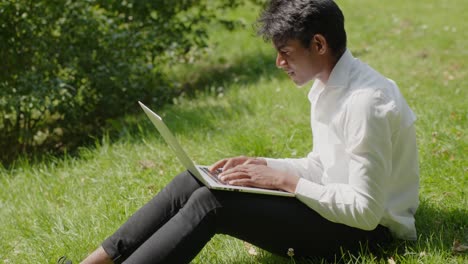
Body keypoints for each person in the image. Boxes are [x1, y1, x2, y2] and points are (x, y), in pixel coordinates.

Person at [60, 0, 419, 263]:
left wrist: (284, 183)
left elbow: (367, 212)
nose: (279, 63)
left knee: (213, 203)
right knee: (198, 179)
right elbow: (324, 165)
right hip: (337, 210)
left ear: (319, 45)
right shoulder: (327, 86)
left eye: (285, 52)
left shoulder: (365, 103)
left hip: (369, 236)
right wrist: (261, 166)